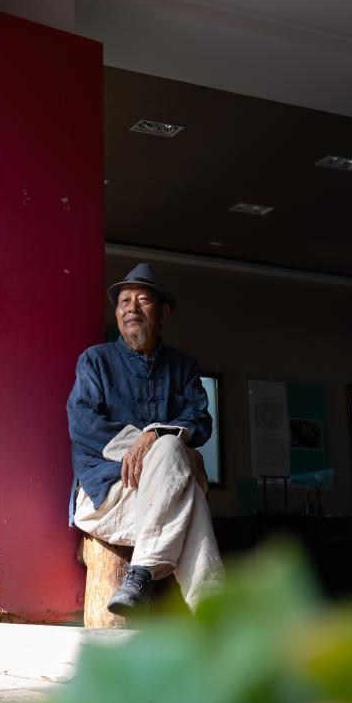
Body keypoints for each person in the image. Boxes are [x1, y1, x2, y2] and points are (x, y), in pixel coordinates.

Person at [66, 263, 223, 614]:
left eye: (143, 300)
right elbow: (82, 423)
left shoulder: (183, 366)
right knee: (183, 481)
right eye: (124, 302)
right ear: (117, 313)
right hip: (107, 497)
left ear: (164, 312)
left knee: (168, 446)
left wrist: (156, 438)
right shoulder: (96, 361)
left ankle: (142, 574)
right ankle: (214, 611)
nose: (131, 309)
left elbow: (200, 420)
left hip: (160, 498)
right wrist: (160, 446)